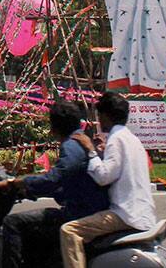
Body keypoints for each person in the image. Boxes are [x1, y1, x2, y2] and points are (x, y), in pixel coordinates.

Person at [0, 101, 109, 268]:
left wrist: (16, 182)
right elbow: (64, 185)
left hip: (78, 213)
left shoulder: (72, 145)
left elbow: (54, 179)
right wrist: (27, 191)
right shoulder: (81, 141)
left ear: (54, 127)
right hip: (85, 208)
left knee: (12, 223)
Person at [62, 92, 156, 268]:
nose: (99, 121)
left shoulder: (116, 139)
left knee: (69, 231)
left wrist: (90, 150)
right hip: (143, 213)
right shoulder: (132, 139)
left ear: (105, 116)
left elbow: (104, 177)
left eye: (99, 116)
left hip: (124, 215)